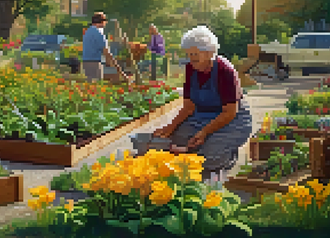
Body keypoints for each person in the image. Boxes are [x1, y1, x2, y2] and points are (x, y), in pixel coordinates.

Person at [153, 26, 252, 181]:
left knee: (207, 158)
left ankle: (228, 155)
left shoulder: (224, 71)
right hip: (202, 115)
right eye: (188, 54)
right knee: (175, 140)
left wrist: (204, 132)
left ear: (209, 52)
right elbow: (188, 107)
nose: (191, 58)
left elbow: (230, 112)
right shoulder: (190, 69)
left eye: (194, 54)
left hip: (232, 119)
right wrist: (169, 128)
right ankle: (205, 146)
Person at [81, 12, 129, 83]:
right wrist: (122, 73)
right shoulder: (98, 34)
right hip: (95, 64)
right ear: (101, 22)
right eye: (105, 22)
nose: (105, 24)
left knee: (89, 87)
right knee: (97, 87)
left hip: (86, 63)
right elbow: (107, 54)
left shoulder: (88, 32)